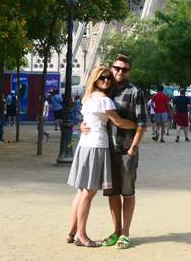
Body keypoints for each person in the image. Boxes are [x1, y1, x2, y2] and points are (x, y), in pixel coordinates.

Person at [81, 54, 148, 250]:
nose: (119, 72)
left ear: (129, 72)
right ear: (112, 68)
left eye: (124, 69)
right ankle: (116, 230)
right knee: (112, 192)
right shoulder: (105, 91)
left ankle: (125, 232)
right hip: (106, 149)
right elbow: (91, 114)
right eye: (116, 68)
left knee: (127, 192)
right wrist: (82, 125)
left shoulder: (135, 92)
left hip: (127, 150)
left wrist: (134, 148)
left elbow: (142, 123)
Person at [67, 67, 139, 248]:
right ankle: (81, 235)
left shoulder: (89, 98)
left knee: (81, 191)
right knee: (88, 193)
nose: (106, 81)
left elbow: (86, 121)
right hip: (96, 147)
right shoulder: (104, 99)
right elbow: (119, 122)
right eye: (102, 78)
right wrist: (139, 125)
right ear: (95, 80)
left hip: (84, 146)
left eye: (108, 78)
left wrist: (82, 126)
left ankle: (72, 232)